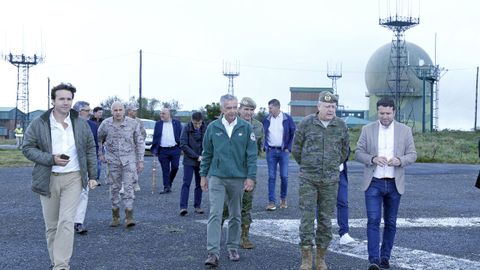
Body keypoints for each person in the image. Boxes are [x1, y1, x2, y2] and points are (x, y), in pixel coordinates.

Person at [22, 83, 98, 270]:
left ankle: (61, 266)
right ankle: (56, 261)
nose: (65, 102)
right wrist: (51, 159)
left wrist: (93, 175)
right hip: (48, 179)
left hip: (73, 178)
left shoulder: (80, 124)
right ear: (53, 100)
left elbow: (90, 149)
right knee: (52, 226)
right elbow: (27, 148)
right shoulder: (39, 123)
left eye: (69, 99)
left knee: (66, 221)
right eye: (61, 98)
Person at [355, 96, 417, 270]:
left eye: (388, 113)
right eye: (381, 113)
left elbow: (413, 154)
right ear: (378, 112)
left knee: (390, 222)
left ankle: (385, 258)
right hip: (373, 182)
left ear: (394, 112)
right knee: (373, 221)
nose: (385, 117)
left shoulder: (405, 130)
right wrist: (373, 158)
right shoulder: (367, 129)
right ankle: (373, 260)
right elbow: (358, 153)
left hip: (394, 183)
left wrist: (400, 160)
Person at [292, 91, 349, 270]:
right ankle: (306, 258)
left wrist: (331, 166)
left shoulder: (341, 126)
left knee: (325, 220)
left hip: (331, 180)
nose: (330, 109)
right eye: (327, 106)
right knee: (307, 218)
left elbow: (344, 152)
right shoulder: (306, 123)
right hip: (308, 179)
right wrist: (309, 165)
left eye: (333, 106)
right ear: (318, 107)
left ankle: (321, 258)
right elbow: (296, 149)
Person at [200, 94, 257, 268]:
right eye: (228, 108)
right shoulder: (213, 127)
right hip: (217, 177)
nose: (232, 111)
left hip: (238, 179)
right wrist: (203, 175)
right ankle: (213, 253)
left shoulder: (246, 128)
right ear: (222, 109)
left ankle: (232, 247)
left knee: (235, 215)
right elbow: (207, 153)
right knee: (215, 214)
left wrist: (250, 177)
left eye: (234, 107)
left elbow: (252, 155)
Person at [222, 97, 264, 249]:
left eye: (251, 110)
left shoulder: (258, 126)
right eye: (246, 109)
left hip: (248, 172)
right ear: (239, 109)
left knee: (246, 204)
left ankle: (244, 236)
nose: (249, 112)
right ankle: (215, 232)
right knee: (225, 204)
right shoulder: (230, 122)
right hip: (230, 171)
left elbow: (258, 149)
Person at [98, 101, 145, 228]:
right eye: (115, 110)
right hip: (112, 160)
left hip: (129, 160)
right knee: (114, 188)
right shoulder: (105, 124)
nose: (118, 112)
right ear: (111, 111)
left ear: (124, 111)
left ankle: (129, 216)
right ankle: (115, 215)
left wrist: (140, 160)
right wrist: (100, 153)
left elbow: (139, 142)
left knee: (129, 187)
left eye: (120, 110)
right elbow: (99, 139)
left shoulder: (132, 123)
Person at [72, 101, 99, 235]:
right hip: (67, 165)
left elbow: (93, 146)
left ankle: (78, 222)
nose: (89, 113)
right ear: (78, 111)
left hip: (83, 165)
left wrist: (94, 166)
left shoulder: (93, 126)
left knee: (83, 193)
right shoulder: (68, 124)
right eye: (86, 110)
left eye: (90, 110)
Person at [263, 98, 296, 210]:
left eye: (271, 108)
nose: (269, 110)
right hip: (271, 151)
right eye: (269, 108)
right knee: (271, 177)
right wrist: (265, 146)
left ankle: (283, 200)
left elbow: (293, 133)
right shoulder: (267, 119)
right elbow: (263, 133)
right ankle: (271, 202)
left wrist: (289, 148)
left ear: (277, 107)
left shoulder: (287, 118)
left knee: (284, 176)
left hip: (283, 152)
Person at [179, 112, 206, 216]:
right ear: (191, 120)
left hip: (202, 160)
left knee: (200, 183)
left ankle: (197, 206)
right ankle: (183, 207)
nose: (197, 125)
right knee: (186, 183)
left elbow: (208, 142)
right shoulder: (186, 128)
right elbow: (183, 144)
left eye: (199, 123)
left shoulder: (205, 128)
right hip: (189, 160)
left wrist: (204, 155)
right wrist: (196, 156)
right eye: (195, 123)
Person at [151, 108, 182, 194]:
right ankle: (166, 187)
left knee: (175, 167)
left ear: (169, 115)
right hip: (163, 150)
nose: (161, 115)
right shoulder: (158, 124)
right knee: (165, 169)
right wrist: (154, 149)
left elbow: (181, 135)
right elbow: (156, 137)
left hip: (175, 149)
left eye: (163, 114)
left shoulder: (177, 123)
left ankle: (169, 182)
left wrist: (181, 147)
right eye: (160, 113)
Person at [337, 147, 356, 245]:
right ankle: (318, 230)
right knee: (321, 202)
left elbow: (347, 149)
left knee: (343, 202)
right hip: (323, 173)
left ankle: (344, 233)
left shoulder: (342, 131)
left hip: (340, 173)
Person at [126, 103, 146, 192]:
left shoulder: (139, 121)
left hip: (136, 147)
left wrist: (139, 142)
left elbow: (143, 133)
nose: (135, 112)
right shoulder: (123, 120)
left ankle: (135, 182)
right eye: (134, 110)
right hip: (126, 148)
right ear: (129, 111)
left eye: (136, 110)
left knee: (136, 165)